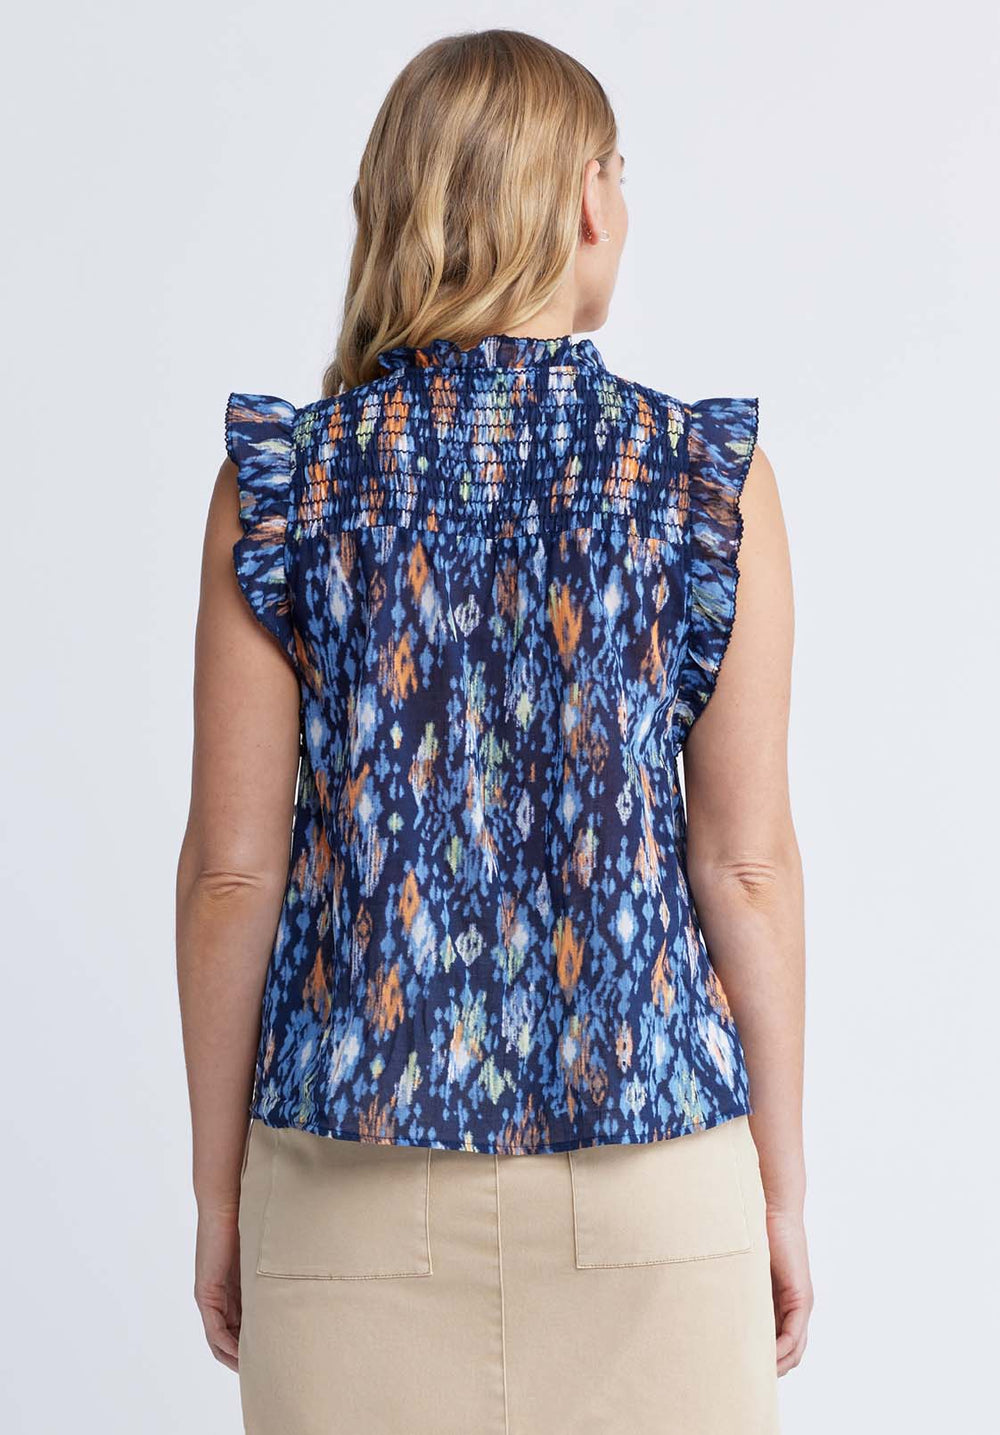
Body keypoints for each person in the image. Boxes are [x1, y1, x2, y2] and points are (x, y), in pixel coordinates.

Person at [176, 26, 812, 1435]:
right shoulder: (701, 484)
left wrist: (219, 1193)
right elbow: (747, 866)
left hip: (347, 1194)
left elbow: (232, 873)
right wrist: (779, 1192)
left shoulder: (287, 487)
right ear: (586, 201)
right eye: (621, 174)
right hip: (653, 1191)